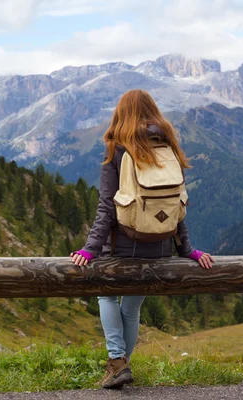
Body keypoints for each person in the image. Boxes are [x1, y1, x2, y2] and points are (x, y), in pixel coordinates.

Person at [70, 89, 214, 389]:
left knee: (106, 295)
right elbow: (177, 202)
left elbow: (107, 204)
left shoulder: (117, 147)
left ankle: (117, 362)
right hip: (159, 246)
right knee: (131, 309)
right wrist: (187, 249)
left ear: (121, 113)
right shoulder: (168, 144)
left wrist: (90, 248)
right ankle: (120, 367)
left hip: (122, 245)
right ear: (153, 111)